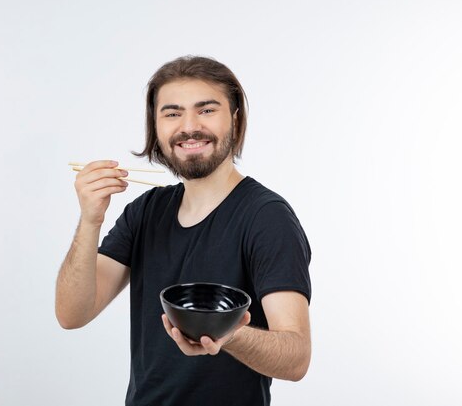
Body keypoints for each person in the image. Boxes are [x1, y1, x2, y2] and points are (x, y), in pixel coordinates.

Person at [55, 55, 312, 406]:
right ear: (156, 126)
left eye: (206, 110)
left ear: (235, 120)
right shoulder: (145, 211)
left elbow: (296, 358)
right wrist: (90, 221)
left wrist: (227, 334)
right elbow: (72, 314)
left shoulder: (266, 217)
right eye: (172, 113)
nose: (189, 127)